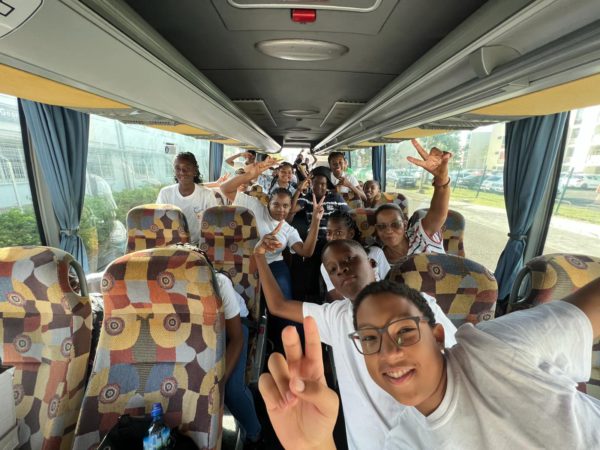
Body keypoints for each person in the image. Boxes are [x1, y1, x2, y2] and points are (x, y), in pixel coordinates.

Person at [259, 277, 600, 449]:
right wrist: (316, 447)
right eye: (370, 339)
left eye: (405, 331)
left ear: (437, 336)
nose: (388, 353)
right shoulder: (404, 441)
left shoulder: (496, 346)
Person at [253, 233, 457, 450]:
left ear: (371, 263)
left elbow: (457, 360)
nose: (341, 269)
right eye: (333, 270)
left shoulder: (416, 305)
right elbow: (278, 306)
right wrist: (259, 256)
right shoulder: (335, 316)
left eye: (349, 259)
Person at [220, 157, 324, 299]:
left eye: (286, 206)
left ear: (290, 208)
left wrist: (316, 221)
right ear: (269, 203)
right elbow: (225, 189)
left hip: (274, 264)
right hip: (247, 260)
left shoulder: (288, 230)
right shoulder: (256, 207)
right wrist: (250, 175)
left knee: (283, 298)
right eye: (276, 205)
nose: (281, 210)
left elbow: (306, 252)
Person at [375, 139, 451, 265]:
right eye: (382, 226)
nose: (389, 231)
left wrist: (441, 180)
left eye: (395, 224)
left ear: (405, 225)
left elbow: (438, 214)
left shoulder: (420, 235)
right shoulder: (377, 259)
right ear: (376, 230)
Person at [215, 272, 262, 446]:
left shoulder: (218, 282)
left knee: (231, 389)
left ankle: (254, 433)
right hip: (203, 332)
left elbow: (237, 339)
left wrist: (218, 386)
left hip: (233, 324)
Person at [320, 210, 390, 301]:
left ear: (351, 234)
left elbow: (389, 283)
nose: (332, 238)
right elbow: (336, 295)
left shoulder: (376, 253)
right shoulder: (326, 266)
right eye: (328, 233)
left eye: (338, 233)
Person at [156, 152, 219, 244]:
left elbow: (214, 224)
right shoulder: (165, 193)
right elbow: (159, 222)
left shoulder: (207, 194)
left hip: (198, 244)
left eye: (187, 168)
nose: (182, 172)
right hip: (171, 244)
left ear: (195, 171)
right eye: (178, 168)